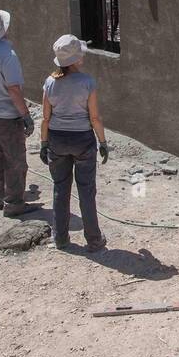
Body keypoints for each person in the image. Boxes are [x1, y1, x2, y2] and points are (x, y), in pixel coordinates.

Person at [40, 35, 109, 252]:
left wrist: (43, 142)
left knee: (60, 189)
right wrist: (103, 142)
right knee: (86, 190)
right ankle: (94, 239)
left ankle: (60, 238)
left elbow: (45, 118)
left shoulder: (50, 82)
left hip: (57, 139)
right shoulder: (87, 83)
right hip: (82, 140)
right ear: (76, 59)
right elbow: (94, 117)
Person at [0, 10, 38, 216]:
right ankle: (13, 203)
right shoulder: (8, 55)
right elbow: (13, 89)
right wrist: (26, 116)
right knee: (15, 160)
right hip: (5, 116)